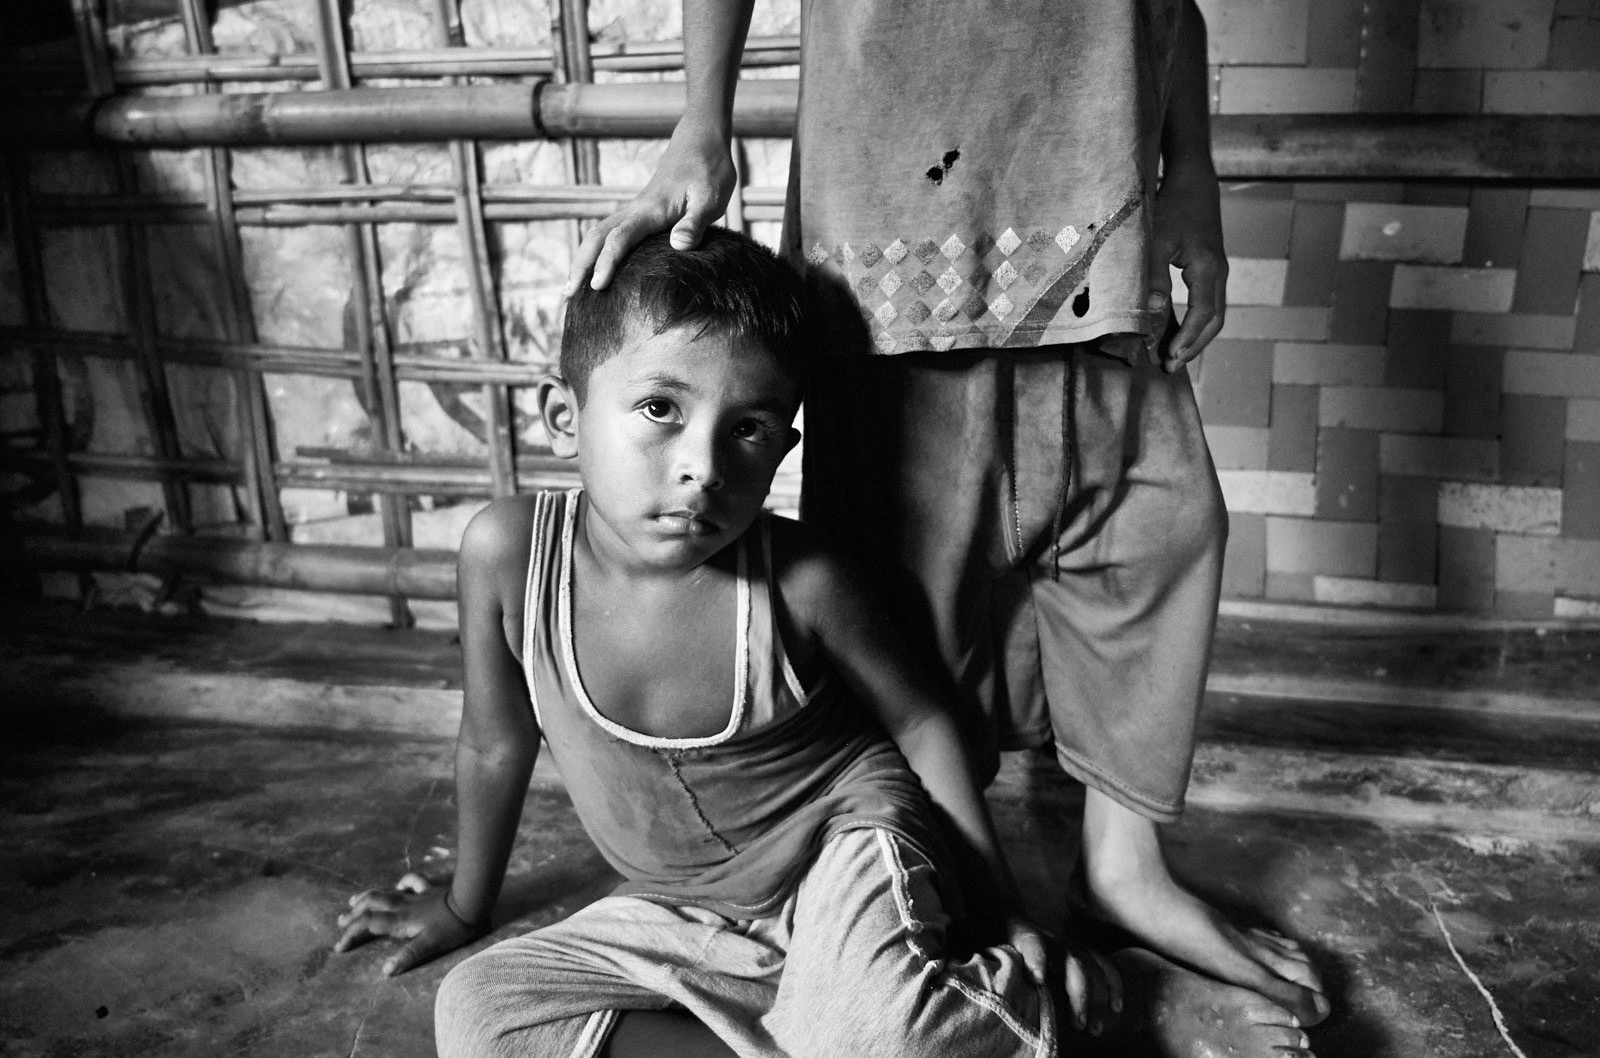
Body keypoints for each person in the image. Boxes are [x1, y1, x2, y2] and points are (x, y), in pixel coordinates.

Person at [333, 229, 1315, 1058]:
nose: (701, 468)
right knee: (477, 1014)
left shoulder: (799, 578)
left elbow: (925, 726)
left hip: (844, 864)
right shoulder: (507, 553)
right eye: (660, 410)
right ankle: (831, 1026)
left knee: (873, 1033)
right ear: (564, 417)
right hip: (682, 912)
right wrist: (465, 910)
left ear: (783, 449)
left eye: (748, 430)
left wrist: (995, 910)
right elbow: (494, 742)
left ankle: (1107, 995)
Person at [567, 0, 1331, 1032]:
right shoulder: (523, 559)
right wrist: (703, 117)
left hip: (1097, 174)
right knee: (913, 580)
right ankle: (952, 894)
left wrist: (1189, 175)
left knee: (1158, 525)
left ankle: (1122, 863)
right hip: (893, 174)